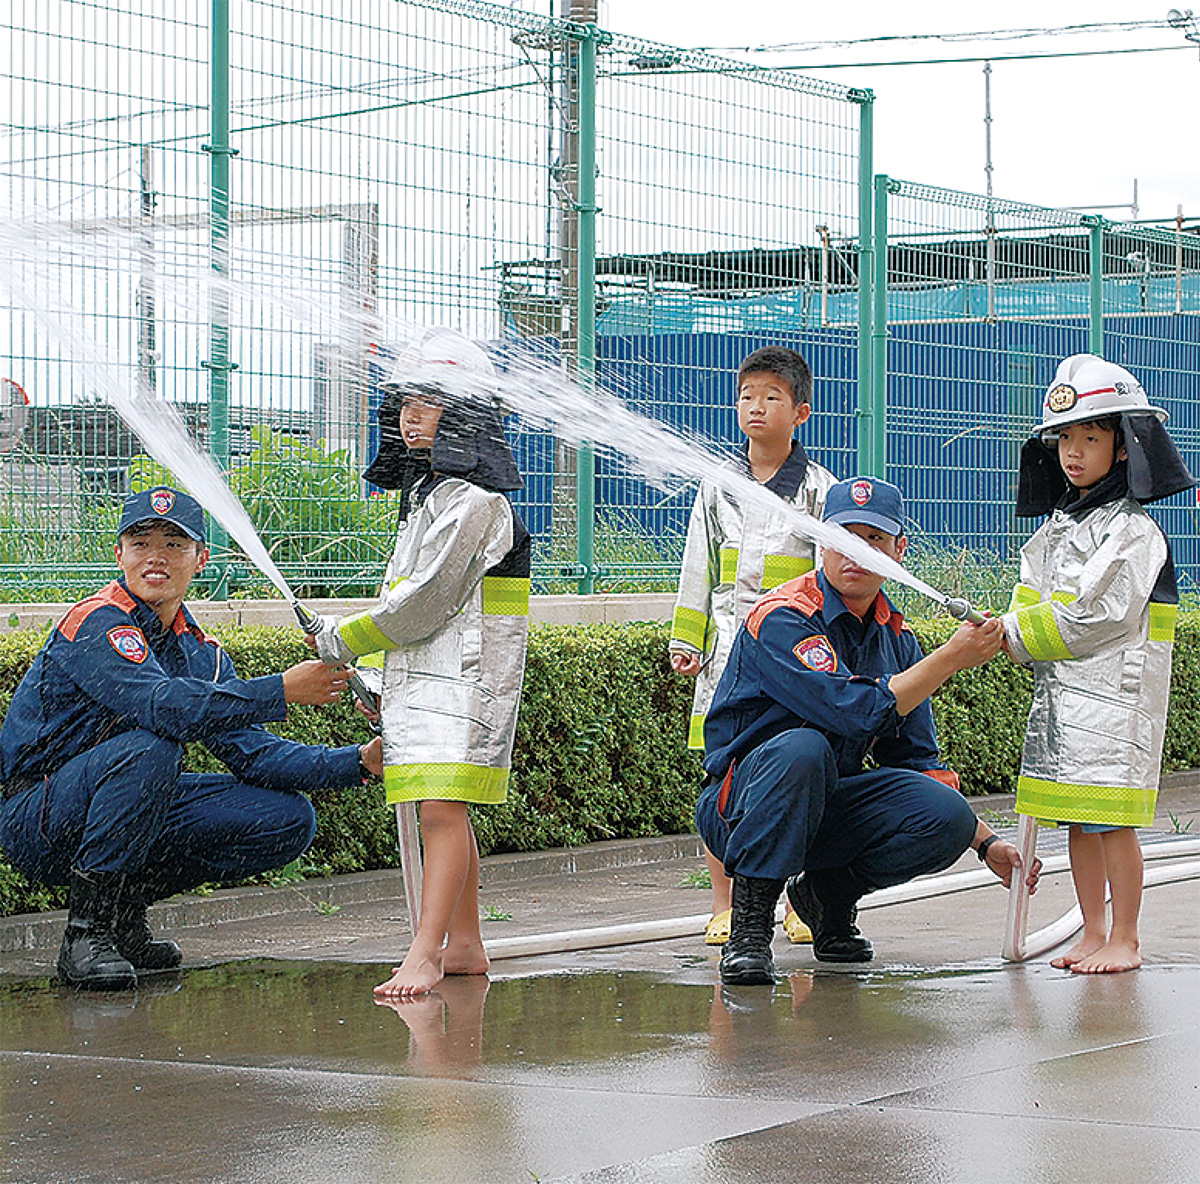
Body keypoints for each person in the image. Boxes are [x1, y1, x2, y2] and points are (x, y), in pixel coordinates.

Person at [0, 486, 382, 991]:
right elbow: (163, 707)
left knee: (287, 818)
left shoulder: (199, 651)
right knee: (153, 746)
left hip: (121, 802)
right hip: (37, 815)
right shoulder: (95, 622)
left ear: (200, 559)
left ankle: (121, 919)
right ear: (119, 554)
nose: (156, 556)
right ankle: (85, 936)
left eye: (174, 544)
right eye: (141, 543)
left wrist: (360, 761)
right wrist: (280, 690)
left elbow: (256, 754)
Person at [696, 476, 1041, 985]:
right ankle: (750, 930)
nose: (856, 552)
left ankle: (826, 897)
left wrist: (986, 843)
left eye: (874, 539)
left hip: (824, 806)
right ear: (820, 544)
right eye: (843, 538)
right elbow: (852, 711)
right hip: (740, 808)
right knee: (802, 748)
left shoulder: (897, 638)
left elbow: (917, 757)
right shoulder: (783, 616)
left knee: (945, 812)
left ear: (898, 552)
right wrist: (949, 659)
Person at [312, 331, 530, 1000]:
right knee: (441, 808)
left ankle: (424, 954)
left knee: (440, 809)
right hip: (432, 680)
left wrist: (343, 641)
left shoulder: (478, 502)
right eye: (405, 402)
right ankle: (463, 946)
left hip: (465, 684)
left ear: (466, 413)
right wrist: (380, 675)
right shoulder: (430, 496)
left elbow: (428, 601)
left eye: (429, 404)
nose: (410, 416)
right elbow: (407, 602)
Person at [1000, 354, 1194, 974]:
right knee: (1079, 824)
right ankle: (1093, 929)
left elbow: (1096, 615)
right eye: (1065, 438)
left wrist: (1014, 634)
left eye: (1091, 437)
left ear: (1125, 447)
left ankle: (1126, 938)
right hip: (1064, 699)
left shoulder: (1133, 529)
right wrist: (1002, 628)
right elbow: (1030, 597)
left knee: (1112, 825)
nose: (1074, 452)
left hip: (1116, 701)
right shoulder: (1059, 524)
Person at [669, 345, 837, 947]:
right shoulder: (718, 487)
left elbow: (831, 580)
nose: (756, 408)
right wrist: (687, 640)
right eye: (746, 396)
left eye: (772, 397)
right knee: (724, 778)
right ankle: (726, 903)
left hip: (792, 669)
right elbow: (698, 567)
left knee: (792, 779)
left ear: (802, 413)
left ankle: (792, 899)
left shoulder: (821, 492)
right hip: (725, 665)